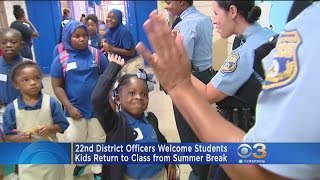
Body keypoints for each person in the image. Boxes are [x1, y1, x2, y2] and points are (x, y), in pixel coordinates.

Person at [136, 1, 320, 179]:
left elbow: (208, 94)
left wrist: (178, 79)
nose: (213, 20)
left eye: (216, 13)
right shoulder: (266, 35)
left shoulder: (245, 52)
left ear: (232, 11)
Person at [92, 53, 177, 180]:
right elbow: (98, 98)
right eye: (132, 93)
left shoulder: (151, 119)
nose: (139, 97)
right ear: (118, 98)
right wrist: (113, 68)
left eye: (144, 94)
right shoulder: (116, 123)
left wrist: (170, 159)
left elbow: (161, 142)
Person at [50, 20, 108, 179]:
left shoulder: (96, 54)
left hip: (97, 108)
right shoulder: (61, 59)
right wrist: (68, 107)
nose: (82, 39)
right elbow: (57, 86)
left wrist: (108, 101)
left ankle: (97, 170)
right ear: (68, 37)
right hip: (74, 109)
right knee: (76, 139)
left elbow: (106, 77)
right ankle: (82, 162)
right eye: (76, 36)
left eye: (84, 35)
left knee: (98, 138)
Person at [164, 1, 215, 179]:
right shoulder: (203, 19)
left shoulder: (186, 25)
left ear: (181, 2)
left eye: (169, 2)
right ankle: (203, 169)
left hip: (190, 81)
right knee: (201, 129)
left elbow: (180, 63)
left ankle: (200, 172)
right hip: (205, 76)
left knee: (188, 132)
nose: (166, 6)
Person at [2, 60, 69, 179]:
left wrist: (50, 128)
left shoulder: (51, 103)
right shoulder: (12, 109)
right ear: (16, 84)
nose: (33, 83)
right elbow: (8, 135)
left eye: (37, 78)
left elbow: (63, 125)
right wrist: (18, 137)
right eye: (26, 80)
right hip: (27, 159)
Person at [103, 9, 144, 77]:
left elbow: (131, 52)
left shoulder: (123, 31)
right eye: (108, 17)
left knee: (131, 83)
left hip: (132, 62)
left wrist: (111, 48)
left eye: (113, 18)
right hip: (120, 63)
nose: (109, 19)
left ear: (119, 20)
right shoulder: (107, 32)